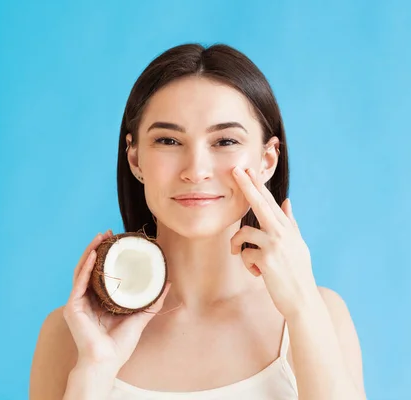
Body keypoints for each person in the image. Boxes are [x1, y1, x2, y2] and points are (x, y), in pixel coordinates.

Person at [30, 43, 367, 400]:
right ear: (135, 158)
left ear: (267, 160)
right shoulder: (71, 335)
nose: (196, 170)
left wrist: (302, 308)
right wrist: (94, 371)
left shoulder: (320, 314)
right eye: (169, 140)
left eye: (224, 141)